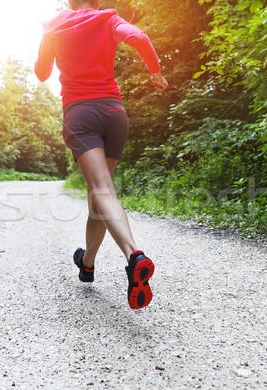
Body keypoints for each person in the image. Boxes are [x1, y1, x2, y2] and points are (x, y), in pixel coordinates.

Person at [35, 0, 168, 309]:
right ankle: (88, 262)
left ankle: (134, 255)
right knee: (97, 196)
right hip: (114, 113)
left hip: (81, 114)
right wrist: (156, 73)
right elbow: (140, 38)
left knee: (102, 191)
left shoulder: (55, 24)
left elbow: (42, 73)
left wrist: (51, 42)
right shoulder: (108, 19)